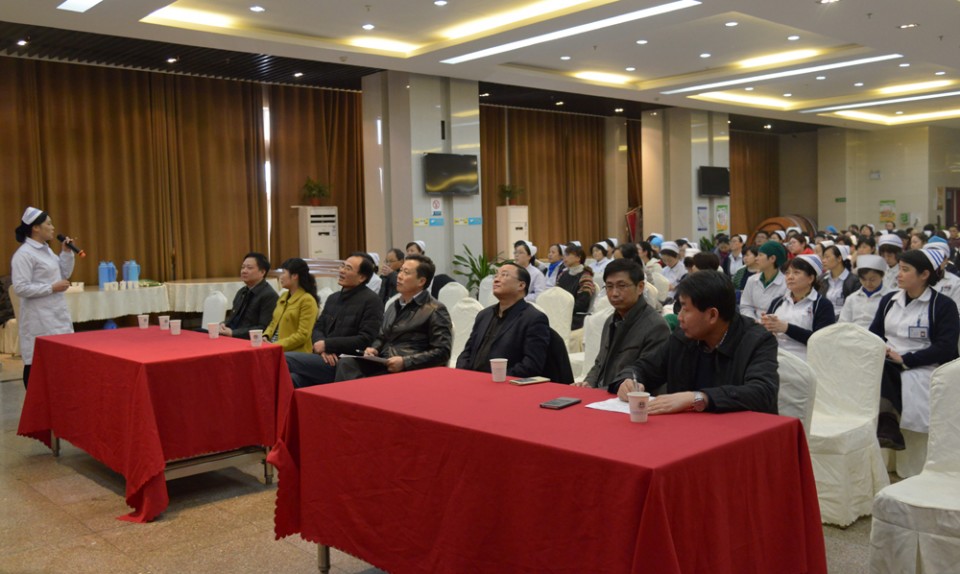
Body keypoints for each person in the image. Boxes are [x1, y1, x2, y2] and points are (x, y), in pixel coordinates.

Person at [615, 270, 779, 415]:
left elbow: (762, 393)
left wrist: (699, 398)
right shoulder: (683, 337)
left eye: (686, 309)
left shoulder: (757, 340)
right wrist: (629, 380)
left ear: (712, 315)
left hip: (740, 431)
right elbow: (644, 368)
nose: (679, 317)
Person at [870, 249, 960, 450]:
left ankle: (888, 422)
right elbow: (874, 334)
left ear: (924, 274)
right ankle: (886, 423)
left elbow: (945, 348)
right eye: (899, 269)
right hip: (888, 359)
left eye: (905, 270)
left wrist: (906, 359)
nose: (899, 274)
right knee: (877, 368)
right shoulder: (889, 301)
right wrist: (882, 350)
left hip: (926, 365)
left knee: (886, 371)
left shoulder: (943, 306)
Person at [335, 254, 452, 380]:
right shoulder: (393, 305)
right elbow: (381, 337)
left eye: (406, 273)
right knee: (346, 363)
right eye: (400, 271)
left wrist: (405, 362)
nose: (399, 276)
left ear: (421, 281)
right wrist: (374, 349)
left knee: (362, 379)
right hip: (384, 362)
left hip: (410, 370)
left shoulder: (435, 309)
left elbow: (442, 351)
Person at [285, 254, 384, 388]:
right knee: (292, 379)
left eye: (348, 268)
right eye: (342, 266)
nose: (342, 271)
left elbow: (365, 339)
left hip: (346, 362)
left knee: (285, 359)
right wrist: (323, 348)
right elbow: (318, 327)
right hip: (324, 357)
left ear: (361, 277)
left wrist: (328, 345)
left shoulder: (372, 301)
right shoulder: (333, 298)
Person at [574, 259, 669, 392]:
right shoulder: (610, 320)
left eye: (622, 286)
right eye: (609, 286)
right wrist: (588, 383)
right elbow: (600, 363)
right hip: (604, 394)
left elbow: (646, 375)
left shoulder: (656, 326)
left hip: (628, 398)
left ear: (640, 287)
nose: (614, 293)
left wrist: (600, 392)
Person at [11, 207, 76, 389]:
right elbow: (20, 287)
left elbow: (63, 274)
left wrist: (66, 253)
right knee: (37, 366)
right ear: (35, 228)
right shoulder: (24, 254)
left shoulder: (46, 251)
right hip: (38, 319)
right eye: (48, 224)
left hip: (56, 315)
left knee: (59, 366)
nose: (53, 228)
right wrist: (51, 288)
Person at [456, 263, 550, 377]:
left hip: (504, 382)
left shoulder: (533, 318)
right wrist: (463, 374)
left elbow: (531, 365)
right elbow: (467, 351)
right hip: (473, 379)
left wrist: (498, 378)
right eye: (496, 276)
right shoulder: (484, 315)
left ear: (521, 285)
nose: (496, 280)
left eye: (504, 275)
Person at [761, 254, 836, 361]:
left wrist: (787, 328)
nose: (790, 277)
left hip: (803, 360)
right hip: (774, 356)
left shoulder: (822, 305)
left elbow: (822, 341)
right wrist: (765, 325)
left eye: (796, 272)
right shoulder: (778, 301)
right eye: (787, 273)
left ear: (810, 278)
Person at [263, 258, 319, 353]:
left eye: (283, 273)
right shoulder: (283, 296)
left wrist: (276, 345)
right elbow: (274, 322)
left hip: (294, 352)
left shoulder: (307, 300)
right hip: (272, 347)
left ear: (295, 276)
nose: (280, 277)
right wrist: (266, 336)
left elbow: (302, 335)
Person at [219, 252, 279, 339]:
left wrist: (233, 333)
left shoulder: (269, 296)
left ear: (262, 272)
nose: (244, 271)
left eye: (249, 268)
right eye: (242, 267)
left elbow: (264, 328)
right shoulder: (242, 292)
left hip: (248, 340)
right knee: (201, 331)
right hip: (232, 336)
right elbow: (233, 318)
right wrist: (223, 324)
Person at [740, 241, 788, 321]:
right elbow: (745, 306)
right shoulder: (752, 280)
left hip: (775, 325)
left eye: (760, 255)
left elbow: (785, 313)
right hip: (752, 324)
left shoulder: (786, 284)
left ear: (772, 258)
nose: (756, 258)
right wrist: (754, 322)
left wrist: (765, 323)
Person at [839, 255, 890, 329]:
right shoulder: (852, 298)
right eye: (863, 279)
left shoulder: (890, 298)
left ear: (882, 276)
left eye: (872, 280)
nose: (868, 283)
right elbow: (843, 323)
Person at [556, 243, 595, 330]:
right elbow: (556, 294)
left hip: (574, 318)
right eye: (564, 255)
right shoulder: (563, 274)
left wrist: (562, 309)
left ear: (578, 258)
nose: (564, 258)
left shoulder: (585, 277)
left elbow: (582, 303)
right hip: (560, 313)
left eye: (568, 255)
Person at [819, 245, 860, 320]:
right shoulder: (822, 279)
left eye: (827, 257)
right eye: (823, 257)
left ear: (839, 258)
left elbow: (854, 308)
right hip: (823, 319)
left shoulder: (854, 281)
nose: (823, 260)